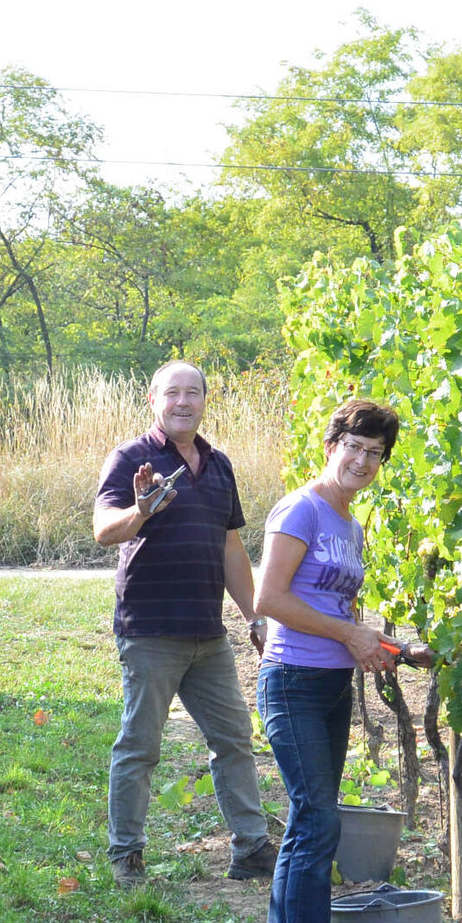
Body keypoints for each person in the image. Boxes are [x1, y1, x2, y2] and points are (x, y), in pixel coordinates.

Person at [253, 399, 431, 923]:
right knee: (319, 822)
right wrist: (348, 636)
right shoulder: (300, 508)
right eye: (353, 446)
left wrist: (386, 647)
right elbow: (269, 598)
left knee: (309, 824)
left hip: (328, 686)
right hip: (290, 681)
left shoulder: (350, 525)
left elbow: (339, 616)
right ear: (332, 444)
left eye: (375, 453)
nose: (362, 460)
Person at [92, 361, 277, 889]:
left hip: (207, 634)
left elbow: (230, 545)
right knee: (140, 745)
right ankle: (126, 854)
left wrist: (253, 615)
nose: (182, 402)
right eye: (172, 393)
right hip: (150, 630)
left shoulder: (218, 465)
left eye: (192, 393)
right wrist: (140, 512)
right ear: (153, 399)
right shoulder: (131, 458)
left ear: (203, 400)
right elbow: (105, 530)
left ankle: (250, 848)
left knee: (234, 739)